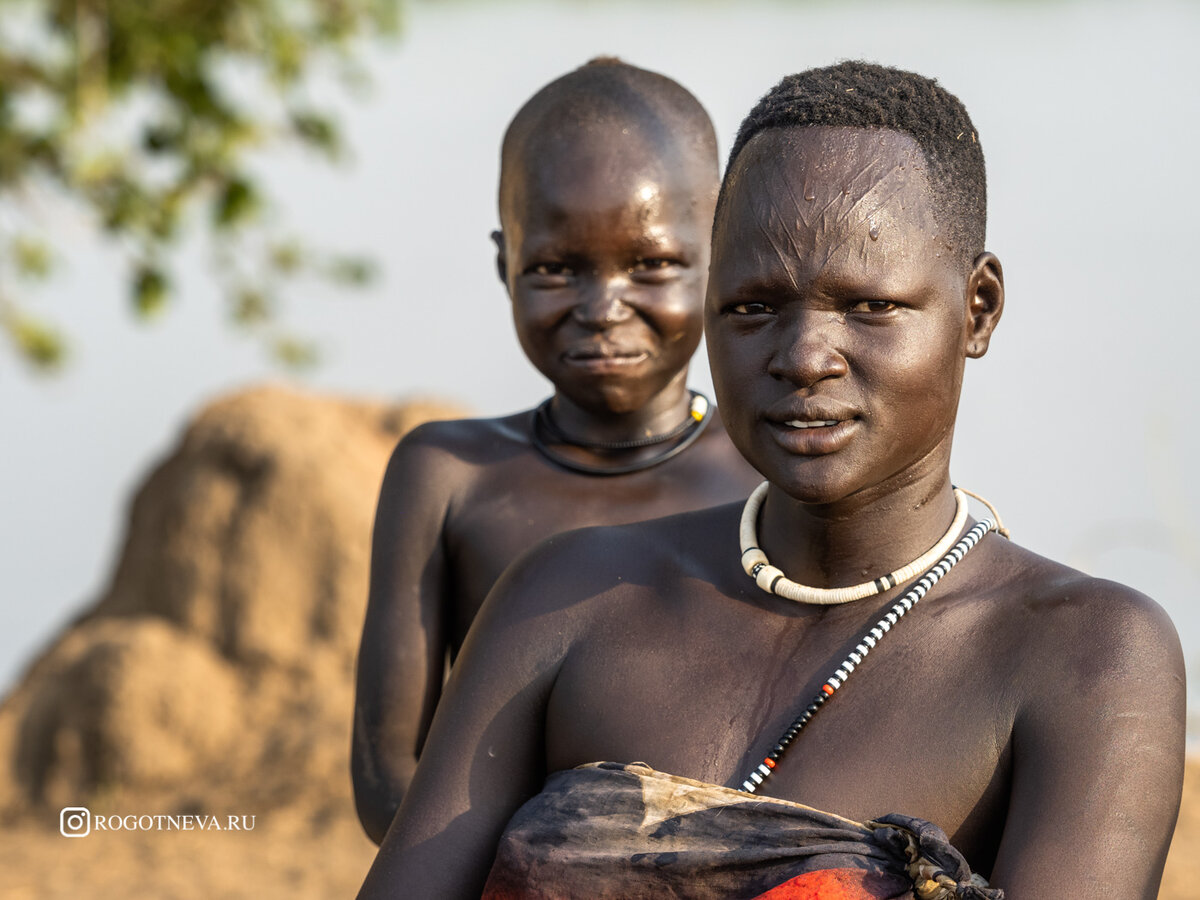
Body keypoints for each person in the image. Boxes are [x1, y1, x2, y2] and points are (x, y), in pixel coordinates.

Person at [358, 62, 1186, 898]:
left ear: (977, 308)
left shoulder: (1086, 658)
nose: (801, 358)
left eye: (869, 306)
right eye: (753, 307)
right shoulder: (564, 596)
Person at [351, 58, 762, 844]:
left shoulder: (763, 476)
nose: (603, 307)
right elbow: (385, 773)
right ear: (504, 262)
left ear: (718, 253)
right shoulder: (448, 478)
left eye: (652, 265)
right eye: (555, 268)